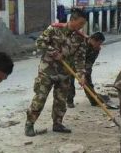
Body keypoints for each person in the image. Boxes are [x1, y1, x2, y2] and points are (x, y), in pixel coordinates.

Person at [25, 8, 88, 137]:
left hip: (65, 73)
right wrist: (53, 52)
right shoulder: (54, 29)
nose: (82, 27)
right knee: (40, 98)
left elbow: (80, 58)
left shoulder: (80, 38)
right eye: (80, 23)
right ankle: (29, 124)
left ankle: (57, 124)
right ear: (73, 20)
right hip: (47, 71)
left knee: (60, 100)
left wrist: (81, 74)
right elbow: (40, 42)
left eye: (83, 24)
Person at [66, 32, 117, 109]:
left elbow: (90, 63)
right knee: (70, 82)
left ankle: (93, 100)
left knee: (88, 82)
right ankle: (69, 101)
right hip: (72, 63)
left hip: (84, 65)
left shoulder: (96, 49)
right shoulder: (80, 41)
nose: (99, 45)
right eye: (99, 43)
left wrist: (84, 75)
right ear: (93, 40)